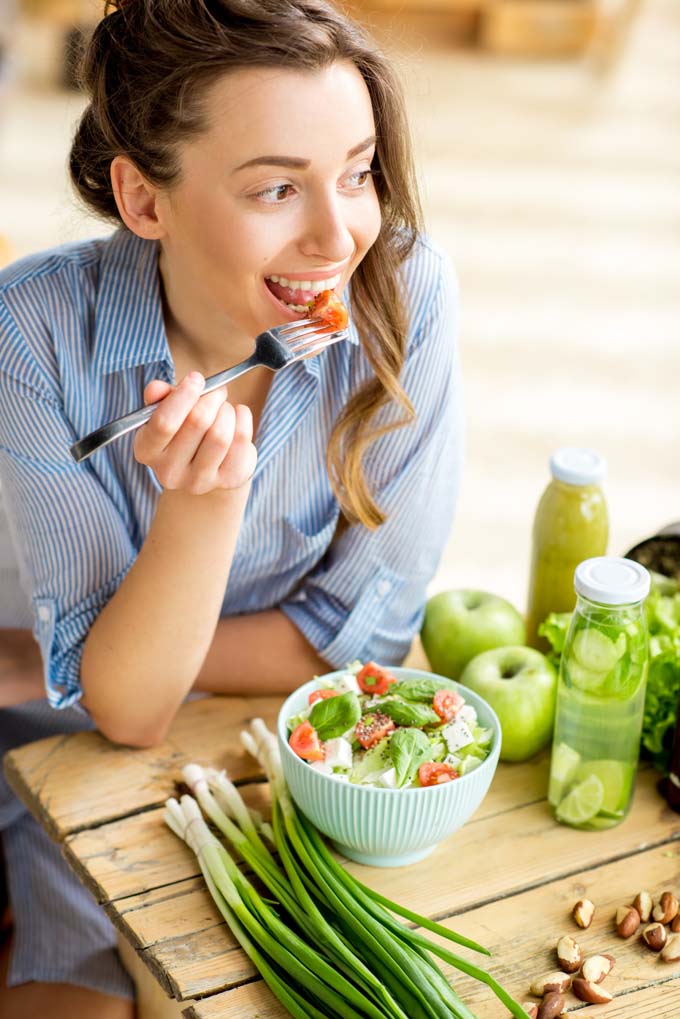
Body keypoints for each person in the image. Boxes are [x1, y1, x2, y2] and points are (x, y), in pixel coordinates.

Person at [0, 0, 462, 1014]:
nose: (337, 234)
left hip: (284, 737)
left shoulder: (406, 293)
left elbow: (359, 635)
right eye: (274, 188)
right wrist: (201, 509)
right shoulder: (33, 329)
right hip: (65, 750)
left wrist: (83, 649)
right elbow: (121, 710)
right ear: (144, 198)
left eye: (355, 171)